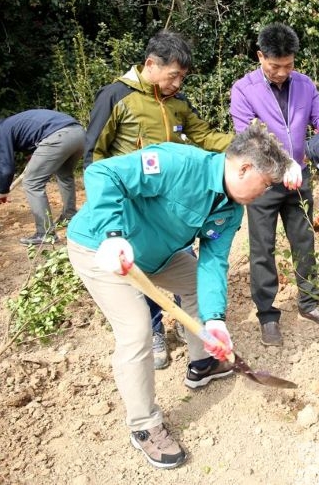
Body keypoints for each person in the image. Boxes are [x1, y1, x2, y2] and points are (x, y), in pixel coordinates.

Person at [66, 122, 289, 469]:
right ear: (244, 168)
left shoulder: (230, 211)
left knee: (197, 286)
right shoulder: (177, 163)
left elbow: (213, 264)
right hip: (102, 249)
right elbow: (104, 173)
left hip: (157, 256)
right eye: (266, 184)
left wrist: (215, 321)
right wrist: (112, 235)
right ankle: (144, 426)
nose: (265, 193)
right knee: (136, 330)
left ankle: (203, 363)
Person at [85, 29, 234, 369]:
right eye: (174, 75)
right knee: (141, 272)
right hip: (134, 208)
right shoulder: (117, 96)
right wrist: (101, 209)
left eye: (182, 77)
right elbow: (94, 153)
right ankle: (154, 330)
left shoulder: (179, 103)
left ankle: (187, 324)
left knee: (185, 263)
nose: (178, 83)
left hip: (175, 206)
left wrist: (245, 144)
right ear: (151, 64)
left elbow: (206, 136)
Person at [229, 23, 319, 347]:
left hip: (298, 179)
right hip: (263, 182)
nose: (282, 72)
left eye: (288, 65)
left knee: (304, 242)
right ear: (260, 57)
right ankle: (267, 315)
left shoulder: (304, 85)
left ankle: (309, 303)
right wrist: (282, 162)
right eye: (275, 66)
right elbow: (249, 137)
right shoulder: (244, 90)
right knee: (262, 248)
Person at [0, 109, 85, 245]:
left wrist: (2, 191)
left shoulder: (1, 130)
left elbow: (6, 168)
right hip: (79, 134)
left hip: (58, 136)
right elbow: (32, 142)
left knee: (32, 183)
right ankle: (69, 216)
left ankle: (45, 233)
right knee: (65, 176)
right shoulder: (11, 125)